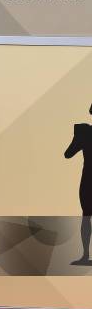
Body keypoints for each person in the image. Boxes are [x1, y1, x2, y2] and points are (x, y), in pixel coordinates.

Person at [64, 105, 92, 265]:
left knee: (86, 216)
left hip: (88, 179)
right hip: (88, 179)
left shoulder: (84, 132)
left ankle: (85, 255)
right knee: (86, 216)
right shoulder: (84, 133)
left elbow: (68, 153)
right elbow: (68, 154)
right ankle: (85, 255)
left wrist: (78, 136)